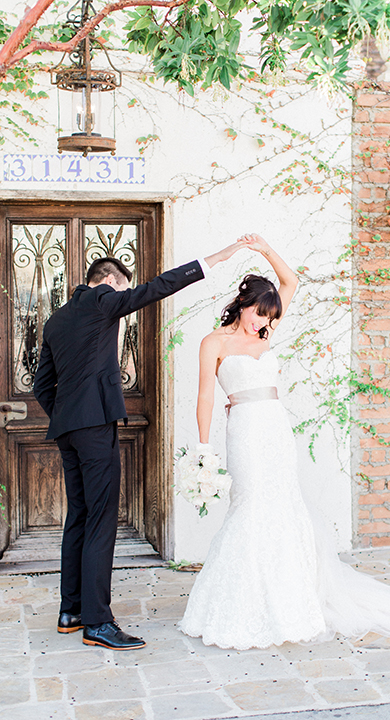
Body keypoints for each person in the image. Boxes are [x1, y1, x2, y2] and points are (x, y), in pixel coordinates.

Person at [179, 233, 390, 650]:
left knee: (283, 505)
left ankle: (288, 600)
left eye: (269, 317)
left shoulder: (265, 335)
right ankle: (243, 600)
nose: (263, 323)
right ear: (242, 304)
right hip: (245, 432)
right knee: (250, 505)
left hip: (275, 428)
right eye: (258, 313)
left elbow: (291, 282)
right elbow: (204, 396)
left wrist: (266, 249)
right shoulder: (214, 342)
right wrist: (202, 449)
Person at [33, 240, 247, 651]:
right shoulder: (102, 300)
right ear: (110, 282)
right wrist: (212, 259)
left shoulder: (56, 320)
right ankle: (98, 623)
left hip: (68, 430)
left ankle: (71, 611)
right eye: (120, 290)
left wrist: (68, 416)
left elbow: (43, 385)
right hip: (95, 427)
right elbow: (156, 288)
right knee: (100, 519)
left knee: (79, 516)